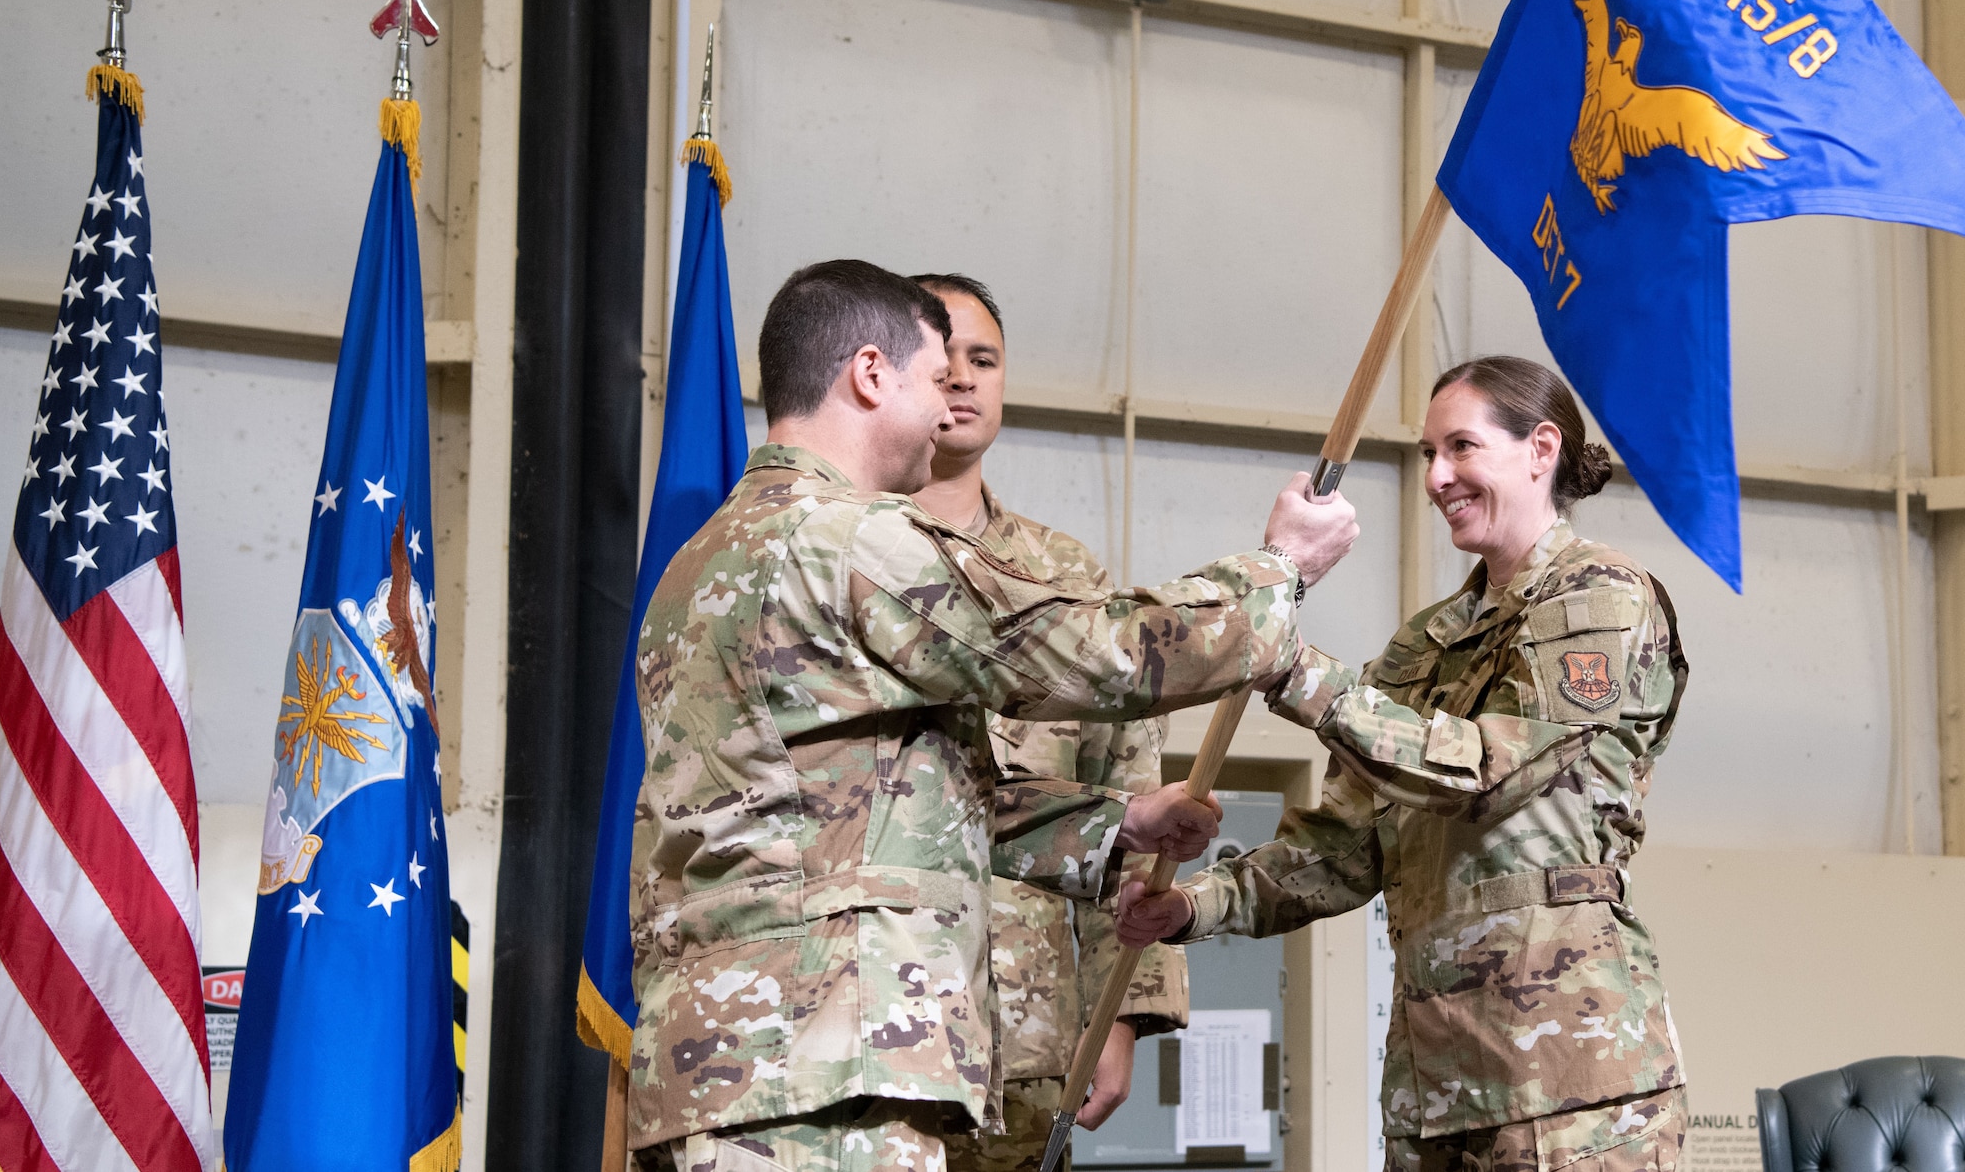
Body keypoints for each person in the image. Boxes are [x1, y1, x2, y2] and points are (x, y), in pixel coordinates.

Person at [627, 259, 1358, 1172]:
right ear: (868, 373)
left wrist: (1116, 821)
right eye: (935, 378)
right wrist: (1277, 572)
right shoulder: (852, 541)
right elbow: (1091, 651)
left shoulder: (699, 565)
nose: (947, 405)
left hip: (735, 1064)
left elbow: (870, 805)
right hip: (824, 1071)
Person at [1116, 355, 1690, 1172]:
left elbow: (1485, 773)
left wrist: (1295, 671)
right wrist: (1196, 908)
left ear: (1541, 448)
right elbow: (1347, 843)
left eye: (1461, 447)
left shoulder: (1598, 595)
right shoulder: (1429, 640)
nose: (1437, 475)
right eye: (1427, 453)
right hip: (1438, 1088)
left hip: (1571, 1088)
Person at [908, 273, 1187, 1172]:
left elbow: (1131, 799)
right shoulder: (838, 552)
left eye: (982, 358)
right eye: (940, 356)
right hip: (874, 1031)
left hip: (1027, 1045)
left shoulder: (1065, 576)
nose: (961, 377)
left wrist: (1123, 1013)